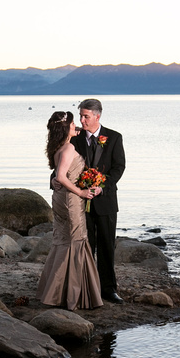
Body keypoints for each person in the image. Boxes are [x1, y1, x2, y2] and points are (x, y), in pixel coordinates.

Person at [36, 111, 103, 310]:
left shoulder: (58, 146)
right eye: (74, 124)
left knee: (63, 241)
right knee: (76, 241)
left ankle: (56, 291)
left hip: (62, 199)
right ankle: (73, 295)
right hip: (70, 200)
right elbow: (62, 177)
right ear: (66, 128)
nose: (77, 126)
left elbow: (58, 176)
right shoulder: (68, 148)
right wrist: (82, 192)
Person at [72, 98, 125, 303]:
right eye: (81, 116)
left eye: (86, 116)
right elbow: (64, 163)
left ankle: (109, 289)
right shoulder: (74, 138)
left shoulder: (114, 137)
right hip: (81, 201)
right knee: (86, 246)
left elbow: (118, 167)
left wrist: (101, 187)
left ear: (97, 116)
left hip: (106, 201)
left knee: (106, 245)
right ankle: (87, 288)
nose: (82, 120)